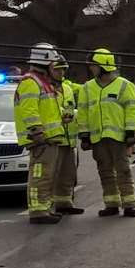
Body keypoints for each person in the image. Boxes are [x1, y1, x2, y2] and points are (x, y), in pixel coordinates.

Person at [77, 47, 135, 217]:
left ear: (104, 66)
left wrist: (130, 132)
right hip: (98, 138)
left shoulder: (125, 86)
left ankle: (129, 204)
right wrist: (84, 135)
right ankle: (111, 203)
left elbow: (132, 109)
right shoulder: (87, 88)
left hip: (118, 137)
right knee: (104, 171)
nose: (91, 68)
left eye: (94, 65)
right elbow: (83, 112)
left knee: (123, 170)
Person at [13, 43, 66, 225]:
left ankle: (44, 208)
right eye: (52, 63)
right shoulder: (30, 82)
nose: (55, 67)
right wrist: (37, 132)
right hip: (41, 140)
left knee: (46, 175)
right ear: (44, 63)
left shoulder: (43, 83)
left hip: (49, 139)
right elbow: (30, 110)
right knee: (39, 175)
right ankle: (37, 211)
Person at [52, 55, 85, 216]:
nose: (61, 73)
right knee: (51, 174)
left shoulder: (67, 88)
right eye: (57, 70)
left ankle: (64, 203)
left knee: (68, 173)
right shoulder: (45, 88)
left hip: (69, 139)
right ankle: (46, 207)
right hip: (54, 138)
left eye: (63, 69)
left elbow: (85, 90)